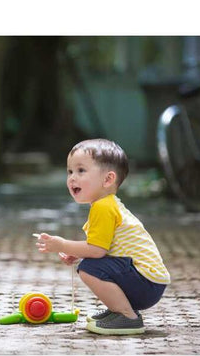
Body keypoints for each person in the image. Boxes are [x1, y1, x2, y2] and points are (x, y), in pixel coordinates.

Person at [35, 139, 170, 335]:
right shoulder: (107, 204)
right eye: (70, 171)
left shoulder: (103, 207)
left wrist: (62, 245)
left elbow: (97, 251)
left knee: (89, 268)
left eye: (81, 171)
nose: (72, 178)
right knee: (90, 264)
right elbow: (106, 248)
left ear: (107, 180)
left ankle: (127, 316)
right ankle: (120, 310)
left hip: (146, 284)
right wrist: (78, 253)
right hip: (149, 282)